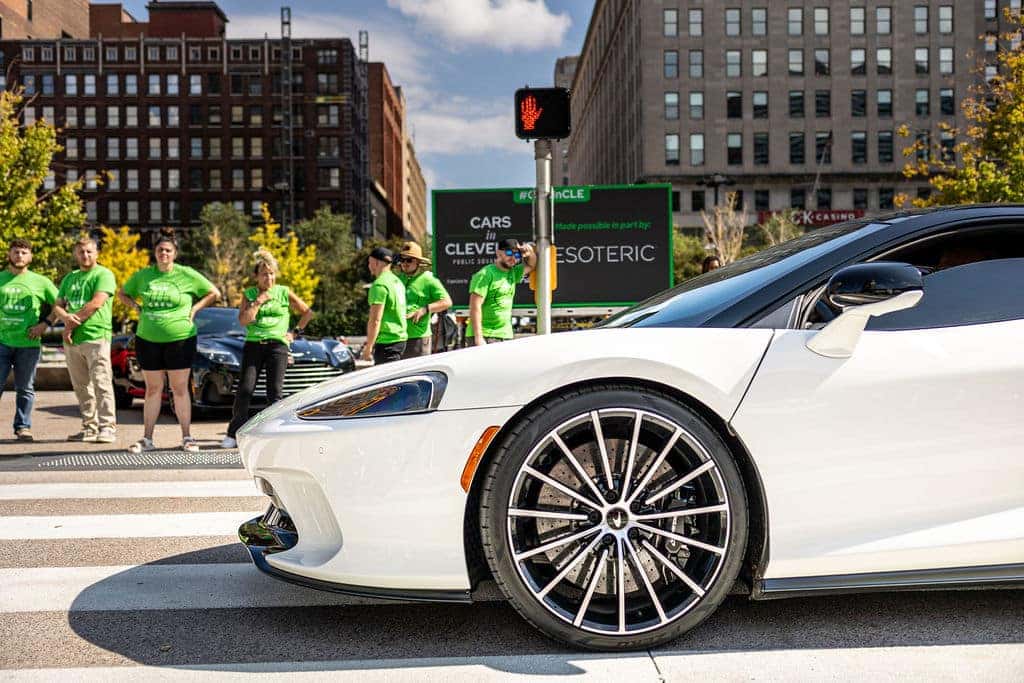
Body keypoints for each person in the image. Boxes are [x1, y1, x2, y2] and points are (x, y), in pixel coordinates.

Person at [118, 229, 219, 453]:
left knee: (179, 388)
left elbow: (213, 292)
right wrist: (135, 306)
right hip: (148, 339)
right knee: (153, 389)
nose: (164, 253)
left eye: (168, 250)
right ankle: (147, 439)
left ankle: (187, 437)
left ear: (174, 253)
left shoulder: (187, 274)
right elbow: (122, 293)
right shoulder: (144, 275)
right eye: (160, 250)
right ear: (155, 252)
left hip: (180, 340)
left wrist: (194, 309)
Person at [221, 249, 313, 449]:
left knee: (275, 392)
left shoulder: (284, 292)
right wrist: (259, 301)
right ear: (256, 276)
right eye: (264, 273)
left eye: (271, 273)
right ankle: (233, 433)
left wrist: (293, 333)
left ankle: (275, 434)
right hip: (254, 345)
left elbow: (307, 312)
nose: (268, 277)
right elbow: (244, 320)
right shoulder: (250, 294)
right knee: (245, 389)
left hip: (277, 346)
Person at [50, 235, 118, 443]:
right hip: (73, 340)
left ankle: (107, 428)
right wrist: (64, 317)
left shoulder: (103, 274)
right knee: (81, 386)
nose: (85, 255)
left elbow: (96, 303)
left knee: (101, 383)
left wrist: (69, 324)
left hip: (96, 336)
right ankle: (89, 426)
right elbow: (58, 305)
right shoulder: (69, 278)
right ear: (75, 254)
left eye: (89, 251)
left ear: (97, 253)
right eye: (81, 252)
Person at [0, 239, 58, 442]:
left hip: (29, 345)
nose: (20, 256)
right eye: (16, 252)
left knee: (25, 388)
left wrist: (45, 324)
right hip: (2, 342)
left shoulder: (40, 281)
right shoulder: (1, 279)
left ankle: (23, 427)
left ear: (30, 257)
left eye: (24, 252)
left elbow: (60, 304)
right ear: (9, 255)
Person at [468, 238, 537, 346]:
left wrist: (530, 252)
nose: (513, 258)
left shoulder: (513, 272)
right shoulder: (485, 274)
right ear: (498, 253)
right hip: (485, 335)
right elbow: (474, 307)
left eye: (517, 255)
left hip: (505, 335)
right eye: (509, 253)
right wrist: (479, 337)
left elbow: (531, 265)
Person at [395, 241, 452, 359]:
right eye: (403, 260)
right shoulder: (397, 279)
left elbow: (447, 302)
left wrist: (425, 309)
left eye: (409, 260)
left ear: (418, 262)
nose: (405, 263)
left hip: (419, 338)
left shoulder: (428, 279)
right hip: (397, 337)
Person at [360, 246, 407, 364]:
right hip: (401, 340)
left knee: (387, 382)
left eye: (369, 262)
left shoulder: (379, 285)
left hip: (387, 343)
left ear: (376, 262)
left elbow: (375, 320)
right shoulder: (397, 282)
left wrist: (368, 347)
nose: (369, 266)